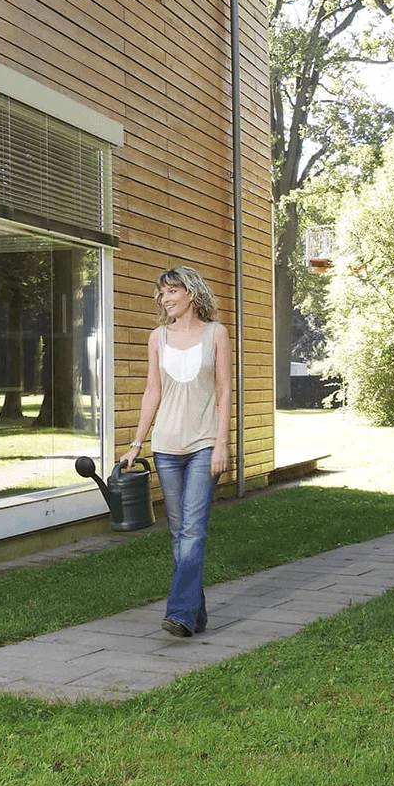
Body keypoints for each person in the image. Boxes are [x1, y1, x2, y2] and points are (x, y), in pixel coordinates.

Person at [120, 266, 232, 638]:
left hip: (203, 443)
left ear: (190, 292)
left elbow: (224, 391)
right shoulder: (157, 338)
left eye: (171, 292)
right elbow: (153, 391)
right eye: (162, 294)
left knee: (193, 530)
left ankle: (180, 612)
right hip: (166, 446)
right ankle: (195, 615)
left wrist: (222, 443)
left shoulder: (217, 334)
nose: (165, 300)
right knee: (178, 531)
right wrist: (137, 443)